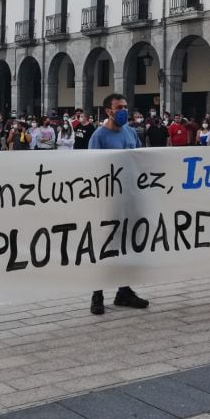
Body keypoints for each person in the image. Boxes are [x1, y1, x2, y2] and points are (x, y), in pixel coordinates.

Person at [87, 93, 149, 315]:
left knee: (128, 244)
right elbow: (92, 169)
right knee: (105, 247)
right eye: (119, 107)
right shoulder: (99, 136)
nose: (124, 110)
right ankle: (97, 294)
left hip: (130, 196)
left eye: (125, 106)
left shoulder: (131, 132)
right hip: (108, 198)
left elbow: (140, 159)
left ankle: (124, 290)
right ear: (108, 111)